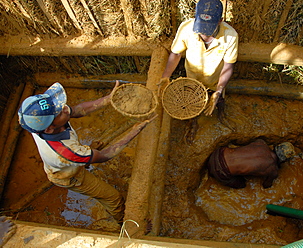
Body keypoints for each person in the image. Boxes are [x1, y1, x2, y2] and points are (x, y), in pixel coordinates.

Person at [18, 81, 157, 224]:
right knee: (113, 198)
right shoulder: (68, 152)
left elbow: (77, 110)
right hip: (70, 176)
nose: (65, 108)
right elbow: (104, 156)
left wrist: (108, 99)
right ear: (49, 129)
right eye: (60, 112)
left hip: (69, 160)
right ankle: (125, 223)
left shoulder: (39, 123)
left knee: (81, 155)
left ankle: (84, 159)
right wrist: (134, 131)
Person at [159, 0, 239, 142]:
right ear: (196, 18)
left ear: (220, 21)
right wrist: (166, 76)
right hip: (193, 78)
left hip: (215, 80)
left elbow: (228, 65)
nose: (203, 34)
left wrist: (218, 90)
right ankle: (193, 122)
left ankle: (221, 115)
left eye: (208, 29)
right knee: (192, 103)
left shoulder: (230, 36)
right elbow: (176, 54)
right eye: (201, 28)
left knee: (218, 100)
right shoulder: (187, 28)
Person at [207, 139, 295, 189]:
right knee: (242, 185)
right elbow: (266, 185)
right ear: (283, 160)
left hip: (218, 153)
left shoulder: (261, 143)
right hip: (219, 170)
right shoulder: (273, 170)